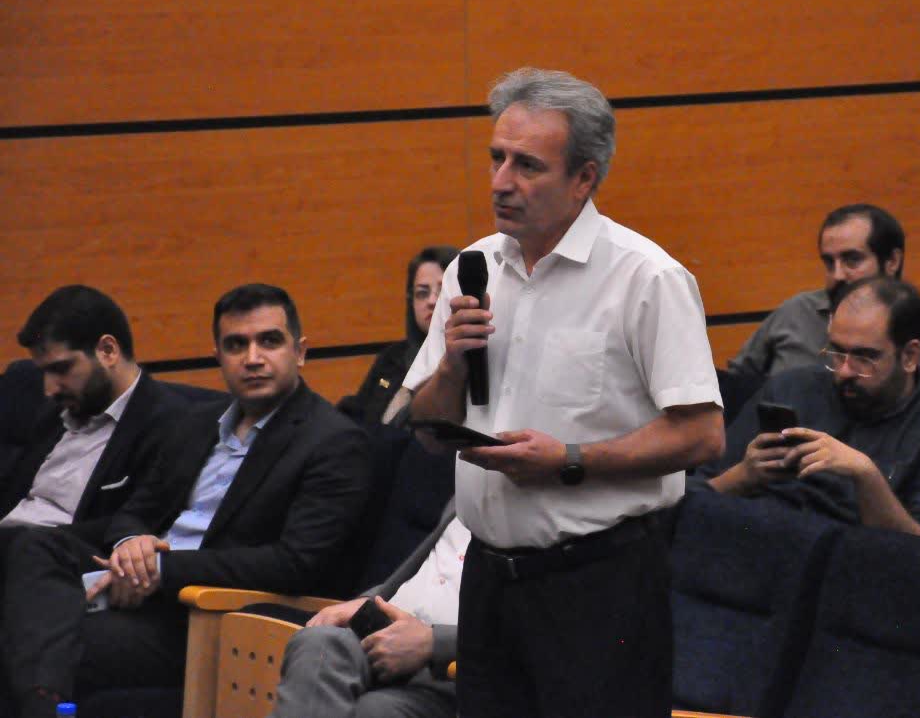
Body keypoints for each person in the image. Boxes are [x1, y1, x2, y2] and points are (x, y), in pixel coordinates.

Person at [403, 67, 724, 718]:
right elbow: (427, 427)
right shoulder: (472, 268)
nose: (501, 181)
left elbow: (702, 434)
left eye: (527, 165)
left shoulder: (645, 277)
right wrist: (453, 368)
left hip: (598, 586)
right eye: (497, 158)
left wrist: (570, 460)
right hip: (487, 581)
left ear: (584, 178)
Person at [0, 284, 370, 717]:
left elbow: (295, 562)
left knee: (31, 639)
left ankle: (40, 707)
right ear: (218, 356)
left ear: (300, 352)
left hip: (204, 613)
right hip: (142, 586)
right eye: (236, 345)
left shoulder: (333, 441)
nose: (252, 358)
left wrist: (161, 570)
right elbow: (137, 510)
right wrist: (131, 543)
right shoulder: (194, 423)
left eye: (269, 341)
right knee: (33, 545)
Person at [700, 276, 920, 541]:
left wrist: (867, 477)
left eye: (865, 357)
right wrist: (745, 475)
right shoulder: (791, 388)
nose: (844, 371)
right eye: (837, 352)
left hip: (852, 562)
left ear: (909, 356)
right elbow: (697, 495)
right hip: (757, 541)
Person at [1, 286, 186, 554]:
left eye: (61, 369)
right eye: (43, 372)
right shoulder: (55, 413)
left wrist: (18, 543)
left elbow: (136, 523)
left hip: (53, 558)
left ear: (108, 351)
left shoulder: (170, 424)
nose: (49, 389)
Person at [269, 498, 466, 718]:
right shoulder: (467, 492)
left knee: (373, 710)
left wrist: (434, 642)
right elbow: (427, 571)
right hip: (386, 626)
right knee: (318, 643)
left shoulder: (497, 523)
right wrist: (369, 600)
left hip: (455, 668)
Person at [727, 203, 920, 384]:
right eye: (829, 262)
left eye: (852, 260)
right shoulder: (796, 311)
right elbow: (736, 386)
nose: (837, 275)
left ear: (892, 261)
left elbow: (917, 417)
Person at [339, 245, 459, 428]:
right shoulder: (392, 358)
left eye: (442, 291)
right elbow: (358, 415)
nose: (431, 301)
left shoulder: (472, 363)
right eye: (422, 293)